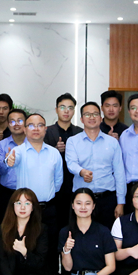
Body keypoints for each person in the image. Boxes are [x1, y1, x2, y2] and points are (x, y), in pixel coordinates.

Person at [6, 113, 64, 254]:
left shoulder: (54, 153)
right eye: (31, 125)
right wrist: (10, 160)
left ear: (45, 129)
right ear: (25, 129)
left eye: (40, 125)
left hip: (48, 209)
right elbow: (12, 160)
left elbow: (58, 181)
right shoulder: (18, 151)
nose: (36, 128)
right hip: (25, 211)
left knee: (50, 249)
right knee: (27, 248)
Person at [65, 101, 125, 229]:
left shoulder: (112, 142)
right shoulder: (73, 141)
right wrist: (82, 172)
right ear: (81, 119)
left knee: (107, 235)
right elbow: (71, 163)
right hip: (82, 200)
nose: (91, 117)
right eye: (87, 114)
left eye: (95, 114)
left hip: (107, 199)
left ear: (101, 118)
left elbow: (119, 173)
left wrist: (120, 202)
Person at [44, 93, 83, 232]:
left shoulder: (80, 132)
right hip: (54, 186)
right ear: (56, 110)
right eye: (62, 107)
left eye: (70, 108)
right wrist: (55, 150)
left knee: (74, 223)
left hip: (76, 183)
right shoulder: (47, 132)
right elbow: (41, 158)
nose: (66, 111)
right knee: (55, 225)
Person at [0, 108, 26, 260]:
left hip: (27, 194)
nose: (16, 124)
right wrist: (7, 162)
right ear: (7, 124)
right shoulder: (1, 145)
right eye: (12, 121)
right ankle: (4, 265)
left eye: (20, 120)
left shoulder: (33, 144)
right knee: (5, 230)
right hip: (5, 193)